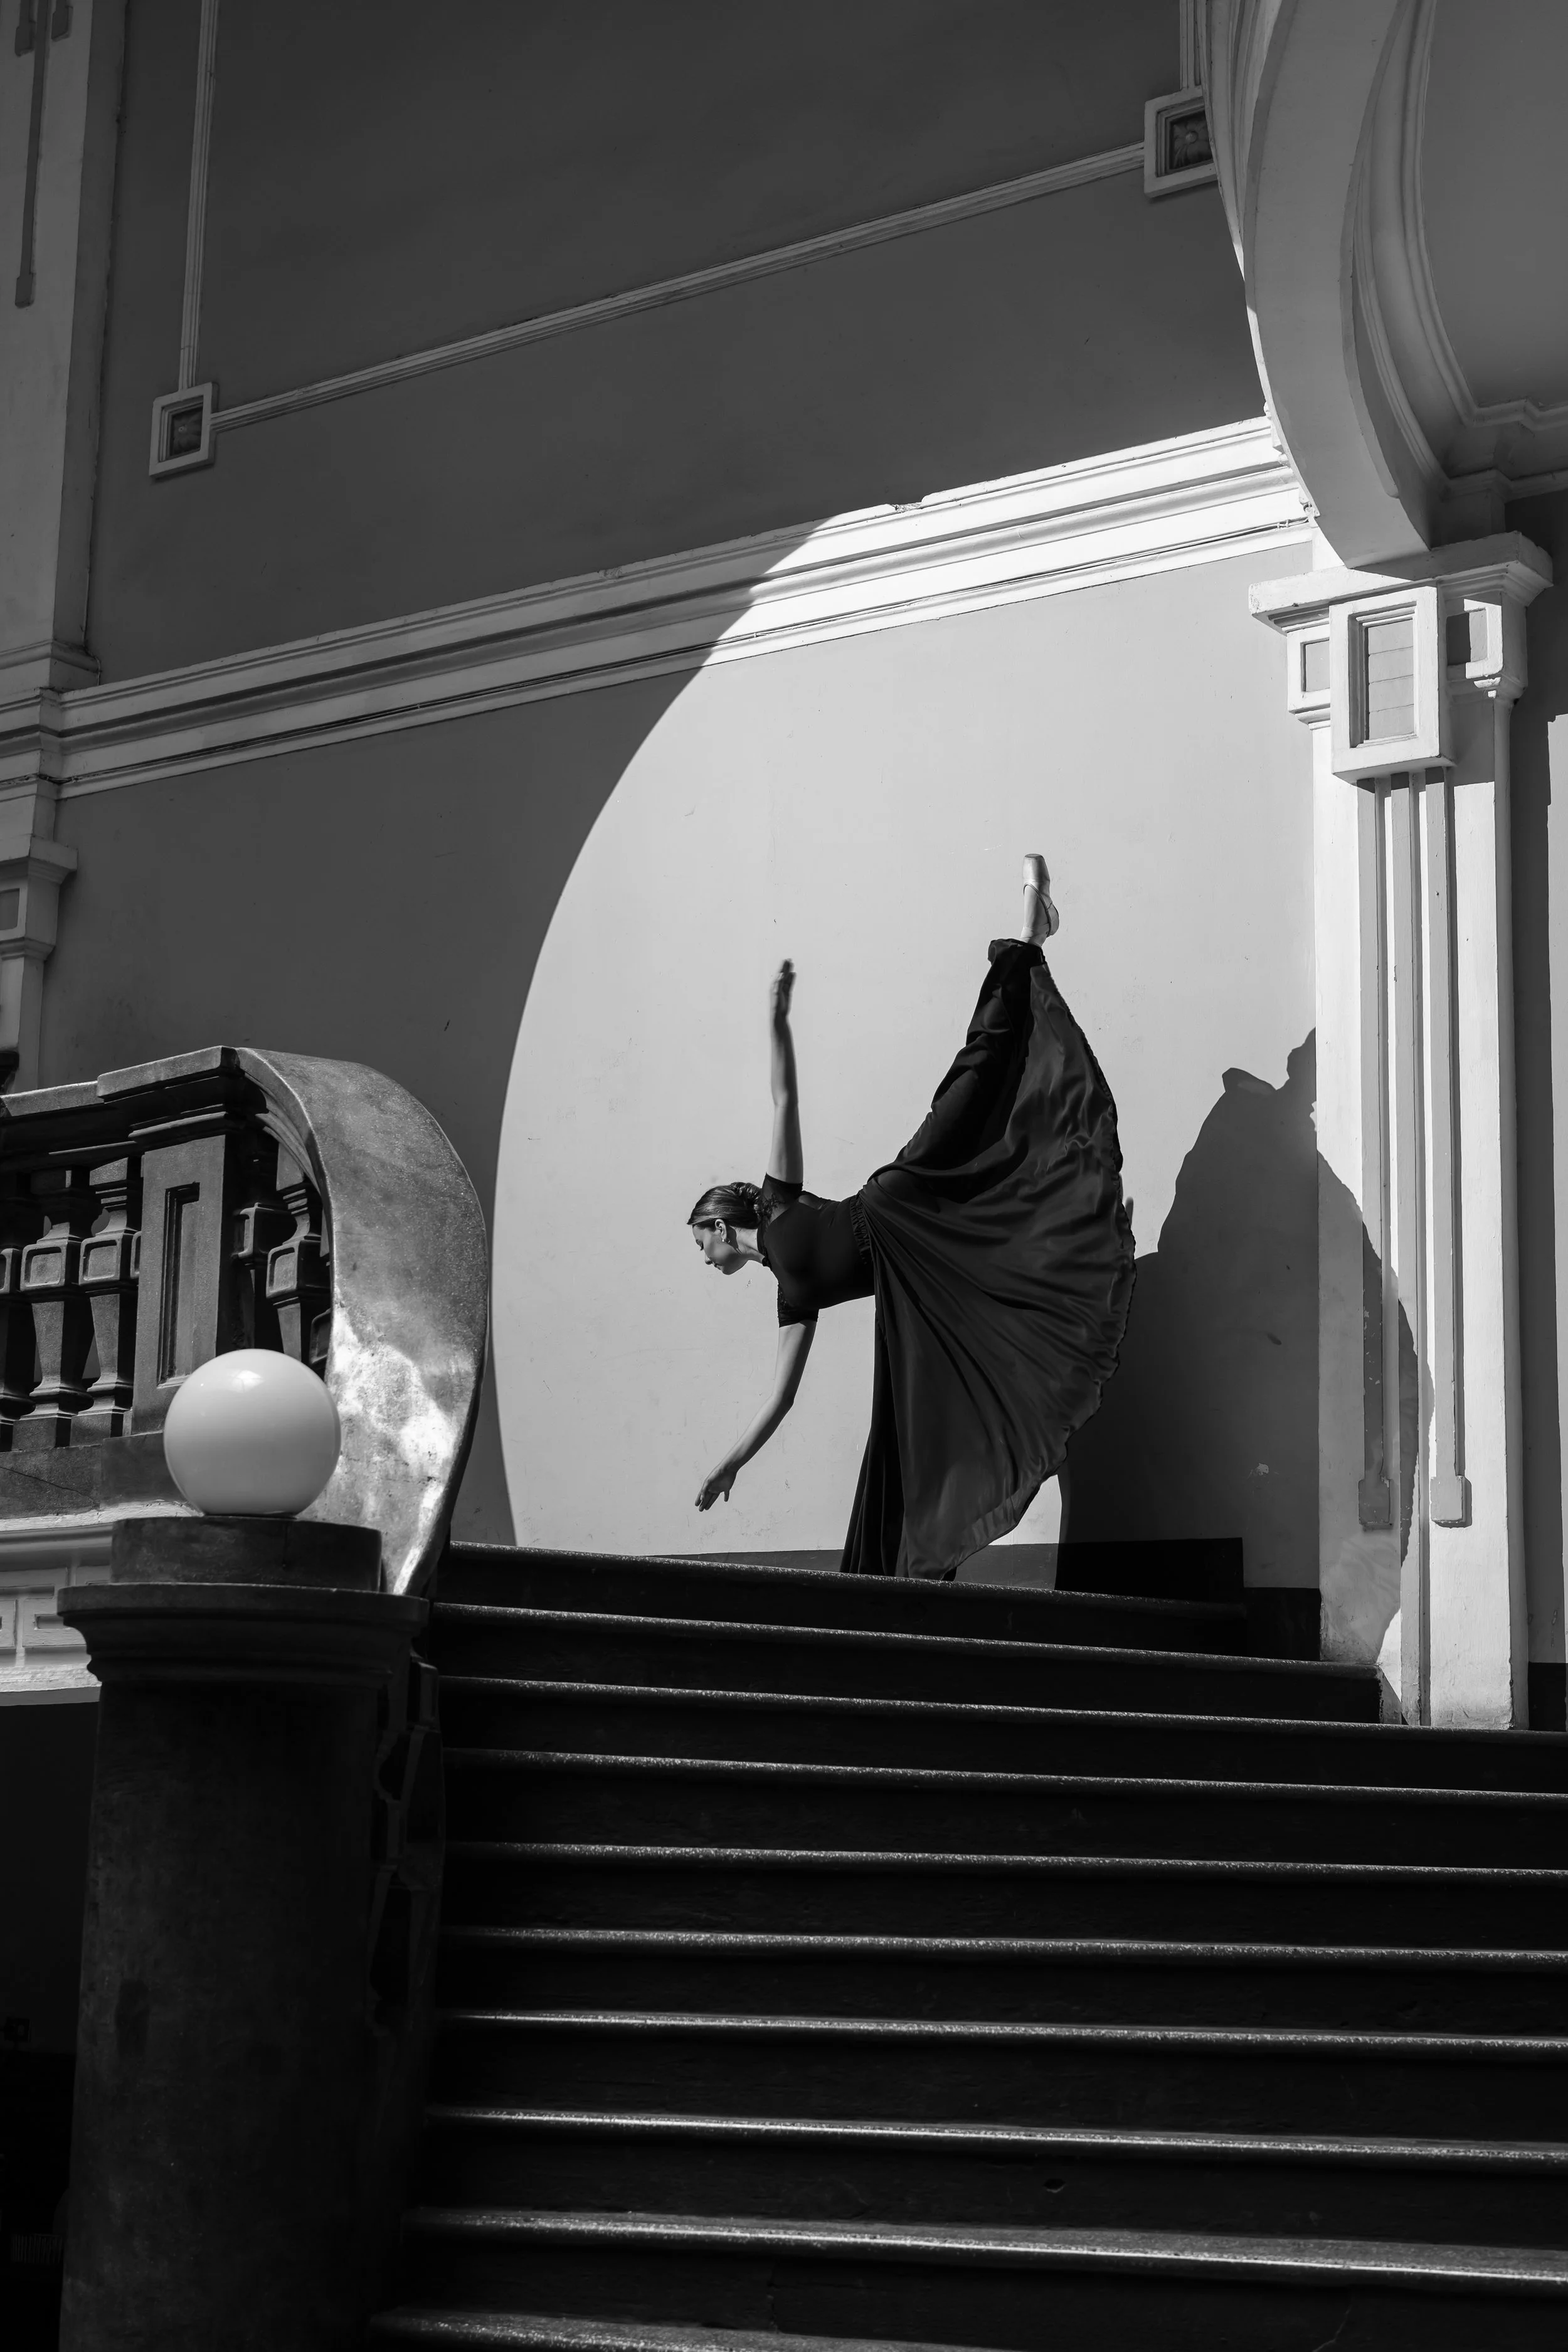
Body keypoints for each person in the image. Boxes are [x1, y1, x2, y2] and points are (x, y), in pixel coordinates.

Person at [688, 857, 1135, 1579]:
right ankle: (907, 1582)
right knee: (912, 1441)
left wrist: (777, 1024)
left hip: (899, 1201)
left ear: (717, 1224)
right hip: (914, 1287)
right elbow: (781, 1398)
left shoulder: (775, 1204)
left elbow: (783, 1102)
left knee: (974, 1083)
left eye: (700, 1244)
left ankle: (1026, 937)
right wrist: (732, 1462)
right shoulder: (791, 1299)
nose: (704, 1261)